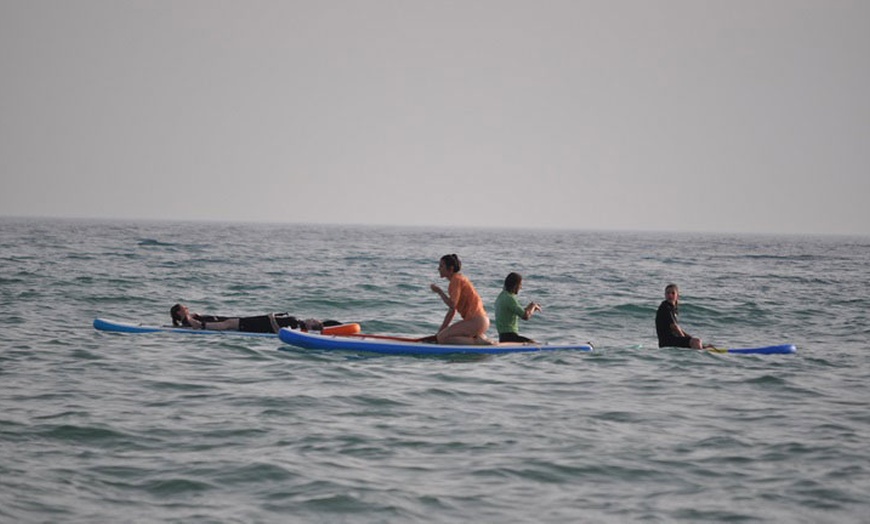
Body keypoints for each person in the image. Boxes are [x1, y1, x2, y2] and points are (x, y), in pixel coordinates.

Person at [429, 254, 492, 345]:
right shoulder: (457, 280)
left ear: (450, 269)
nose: (438, 269)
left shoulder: (456, 280)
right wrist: (439, 333)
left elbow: (452, 305)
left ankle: (476, 341)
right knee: (441, 337)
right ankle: (478, 338)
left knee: (442, 339)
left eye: (441, 266)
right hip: (479, 322)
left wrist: (439, 292)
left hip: (476, 321)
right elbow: (452, 311)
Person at [169, 303, 339, 333]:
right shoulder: (297, 323)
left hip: (260, 323)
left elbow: (278, 329)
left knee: (229, 324)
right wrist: (272, 317)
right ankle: (202, 326)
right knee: (229, 323)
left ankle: (202, 326)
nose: (312, 319)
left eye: (314, 322)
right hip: (260, 321)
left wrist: (272, 317)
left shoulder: (297, 326)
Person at [655, 284, 711, 349]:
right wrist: (685, 339)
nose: (670, 295)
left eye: (673, 293)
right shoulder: (665, 307)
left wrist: (689, 339)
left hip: (671, 340)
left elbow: (678, 328)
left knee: (696, 341)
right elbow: (674, 327)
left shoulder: (672, 308)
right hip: (667, 342)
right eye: (668, 293)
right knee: (696, 341)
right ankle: (699, 357)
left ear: (677, 296)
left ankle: (701, 348)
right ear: (665, 295)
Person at [494, 272, 542, 343]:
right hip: (510, 337)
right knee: (535, 344)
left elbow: (521, 312)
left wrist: (530, 308)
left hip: (502, 337)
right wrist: (533, 306)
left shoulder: (500, 297)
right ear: (515, 285)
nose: (521, 287)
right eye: (520, 284)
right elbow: (525, 316)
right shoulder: (510, 298)